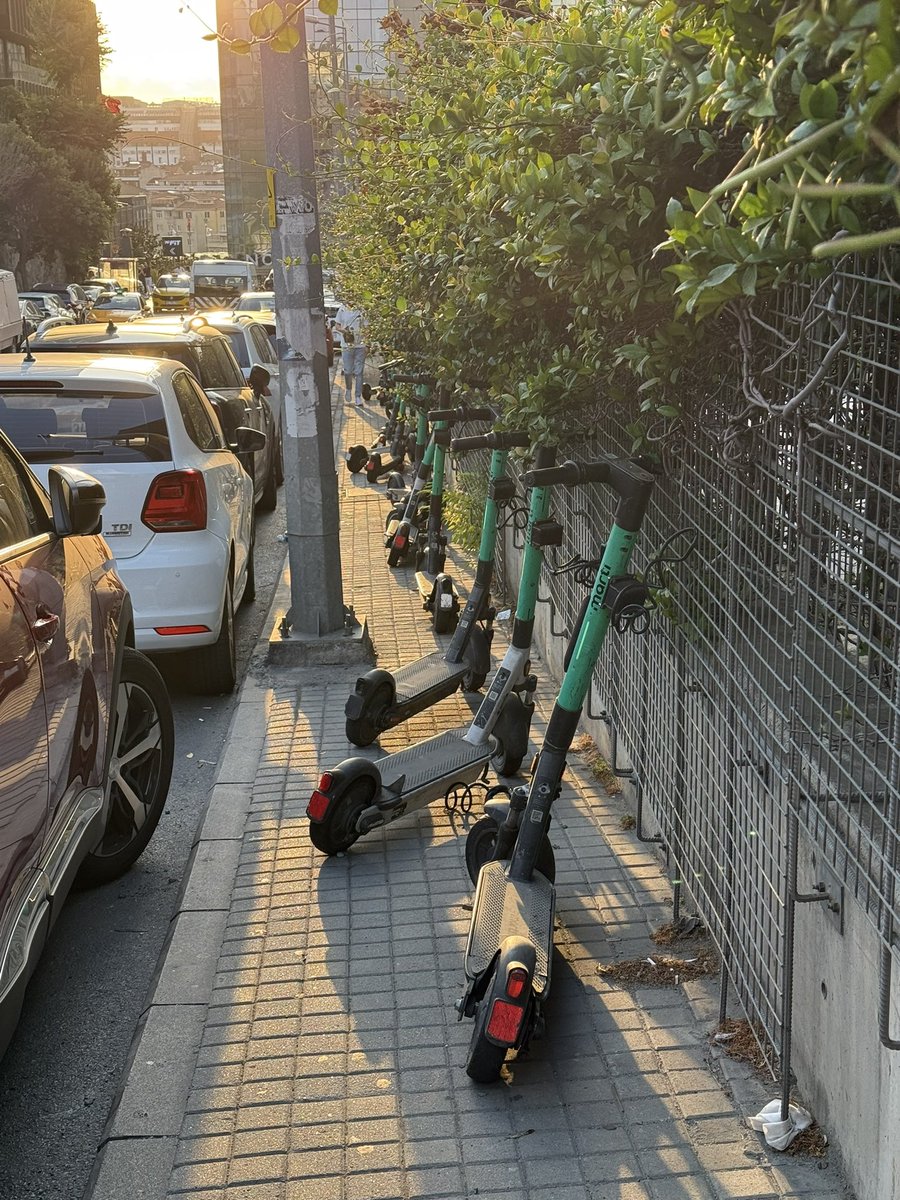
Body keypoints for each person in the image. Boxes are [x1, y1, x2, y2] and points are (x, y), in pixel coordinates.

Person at [333, 301, 368, 406]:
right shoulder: (342, 309)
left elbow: (367, 329)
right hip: (346, 345)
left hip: (360, 345)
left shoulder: (362, 309)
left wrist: (367, 345)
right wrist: (344, 331)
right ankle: (348, 389)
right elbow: (337, 326)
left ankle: (358, 396)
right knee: (348, 370)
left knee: (359, 372)